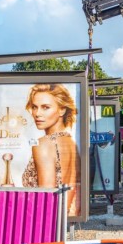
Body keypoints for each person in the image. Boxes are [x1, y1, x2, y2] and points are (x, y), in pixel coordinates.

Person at [22, 83, 81, 216]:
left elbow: (45, 197)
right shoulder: (70, 142)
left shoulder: (44, 144)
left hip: (45, 220)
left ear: (62, 110)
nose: (37, 114)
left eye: (45, 107)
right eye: (34, 107)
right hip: (64, 215)